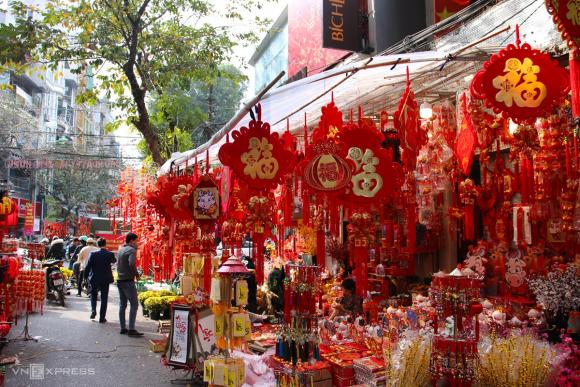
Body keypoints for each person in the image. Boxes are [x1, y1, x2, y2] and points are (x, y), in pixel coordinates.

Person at [116, 233, 144, 337]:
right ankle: (131, 329)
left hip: (120, 280)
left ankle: (123, 328)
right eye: (136, 241)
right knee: (134, 304)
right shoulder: (132, 250)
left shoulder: (121, 249)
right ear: (132, 241)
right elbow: (132, 263)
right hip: (128, 280)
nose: (137, 243)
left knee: (122, 304)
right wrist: (136, 274)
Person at [84, 238, 116, 322]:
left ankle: (93, 310)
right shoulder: (110, 254)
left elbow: (88, 267)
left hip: (94, 278)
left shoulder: (93, 254)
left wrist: (85, 277)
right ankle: (102, 318)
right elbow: (114, 261)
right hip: (106, 278)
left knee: (93, 295)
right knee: (104, 298)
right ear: (105, 244)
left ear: (97, 245)